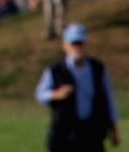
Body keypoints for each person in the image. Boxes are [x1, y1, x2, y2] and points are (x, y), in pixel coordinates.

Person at [34, 23, 120, 152]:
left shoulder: (98, 69)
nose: (77, 48)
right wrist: (56, 94)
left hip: (91, 131)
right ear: (65, 46)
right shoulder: (55, 71)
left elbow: (108, 99)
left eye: (80, 44)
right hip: (64, 133)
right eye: (74, 44)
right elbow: (40, 94)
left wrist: (113, 129)